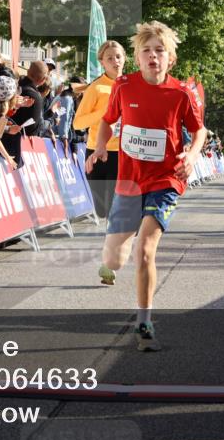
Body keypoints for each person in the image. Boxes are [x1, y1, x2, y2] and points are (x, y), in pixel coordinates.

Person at [87, 22, 206, 352]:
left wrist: (192, 155)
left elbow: (199, 131)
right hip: (129, 181)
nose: (153, 55)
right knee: (115, 259)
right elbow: (108, 121)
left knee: (145, 250)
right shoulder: (124, 87)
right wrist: (99, 147)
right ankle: (108, 264)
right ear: (137, 58)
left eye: (160, 50)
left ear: (171, 59)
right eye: (146, 50)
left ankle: (144, 323)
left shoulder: (181, 93)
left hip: (165, 180)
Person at [74, 40, 126, 220]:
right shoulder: (96, 88)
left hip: (122, 153)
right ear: (102, 62)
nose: (115, 61)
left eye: (118, 57)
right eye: (110, 58)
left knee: (116, 208)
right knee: (102, 210)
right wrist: (104, 113)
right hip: (96, 152)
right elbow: (77, 124)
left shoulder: (131, 86)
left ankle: (118, 246)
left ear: (125, 59)